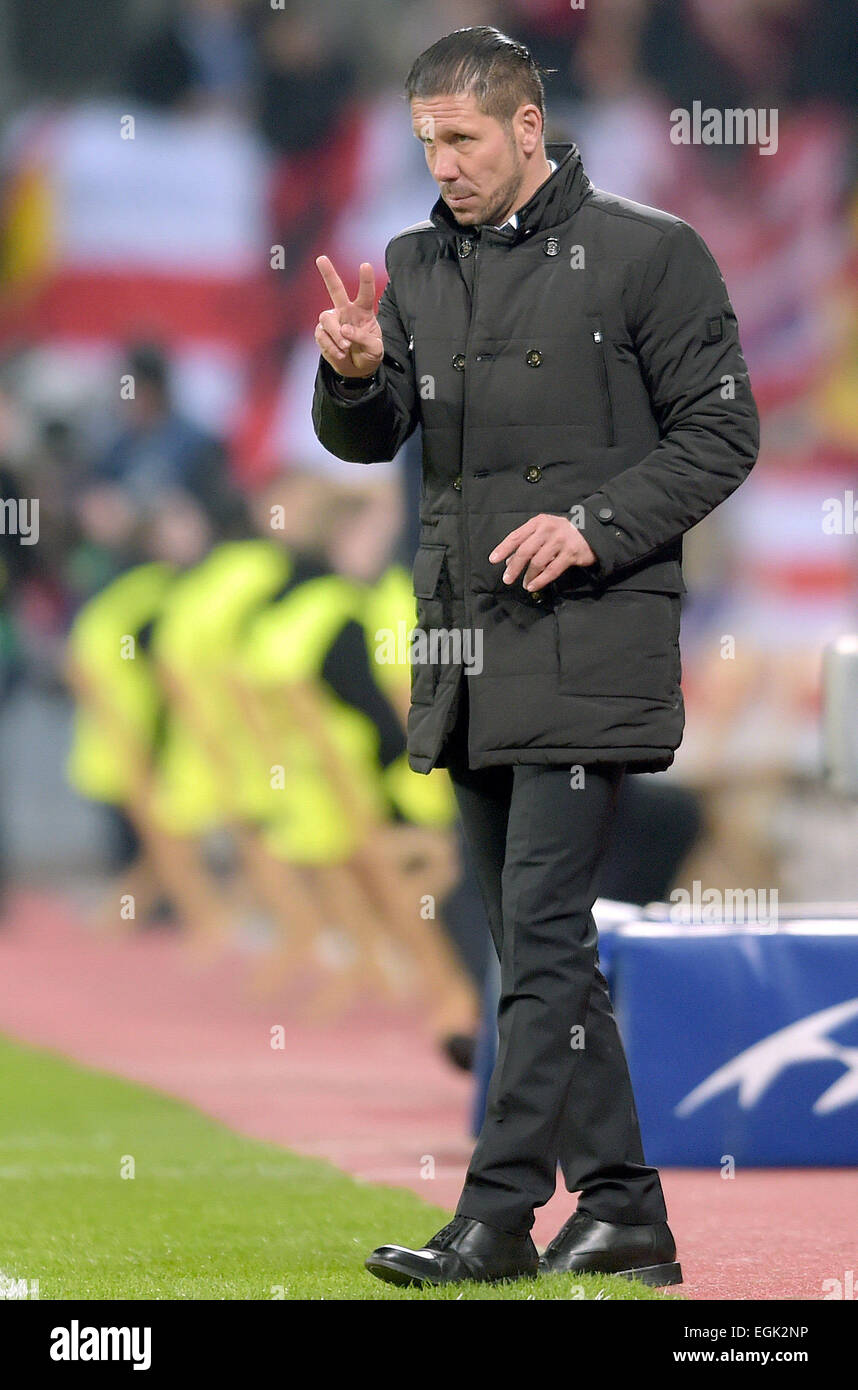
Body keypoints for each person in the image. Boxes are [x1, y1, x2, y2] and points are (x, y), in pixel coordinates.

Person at [311, 26, 759, 1289]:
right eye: (424, 144)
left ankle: (497, 1216)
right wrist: (350, 378)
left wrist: (593, 526)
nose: (441, 165)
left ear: (526, 126)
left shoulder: (649, 252)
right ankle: (626, 1213)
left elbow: (724, 437)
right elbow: (374, 435)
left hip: (588, 647)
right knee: (537, 944)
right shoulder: (411, 264)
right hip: (463, 653)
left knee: (541, 938)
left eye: (460, 139)